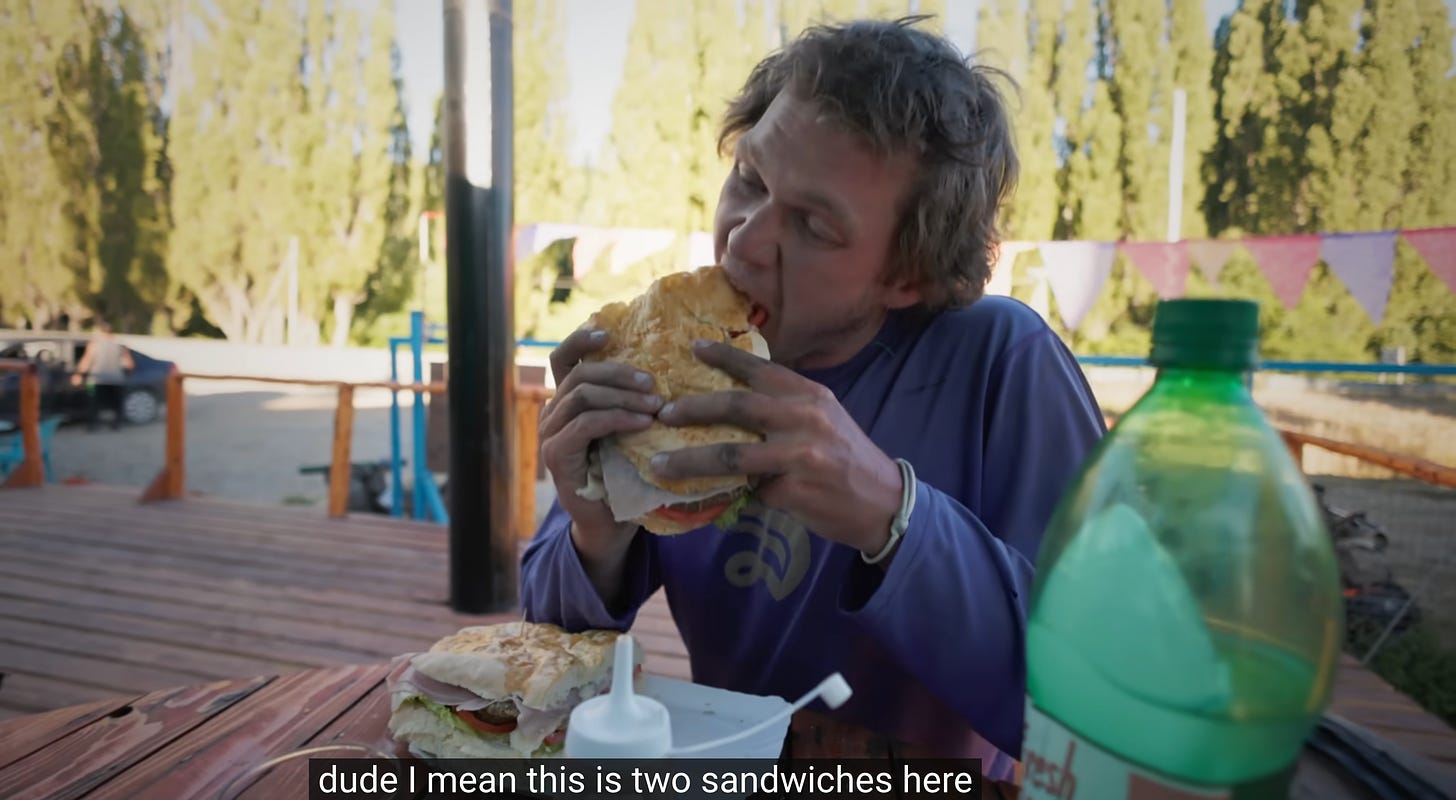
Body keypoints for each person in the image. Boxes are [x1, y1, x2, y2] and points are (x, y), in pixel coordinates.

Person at [520, 16, 1105, 778]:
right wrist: (595, 534)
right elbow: (541, 658)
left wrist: (892, 517)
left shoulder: (1004, 363)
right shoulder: (672, 356)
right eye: (749, 182)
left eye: (814, 226)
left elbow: (1095, 710)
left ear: (909, 275)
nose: (742, 243)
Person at [72, 320, 134, 431]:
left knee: (93, 403)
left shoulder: (94, 344)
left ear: (100, 331)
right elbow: (129, 364)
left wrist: (79, 374)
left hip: (96, 379)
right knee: (117, 405)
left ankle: (93, 426)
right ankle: (117, 425)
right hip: (116, 380)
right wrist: (126, 373)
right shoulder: (119, 345)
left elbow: (87, 360)